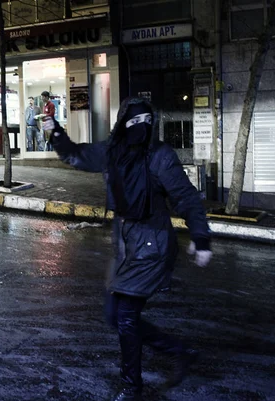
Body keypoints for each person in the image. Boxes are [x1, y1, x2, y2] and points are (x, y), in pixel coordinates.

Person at [49, 97, 212, 401]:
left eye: (146, 122)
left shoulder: (159, 156)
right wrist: (54, 131)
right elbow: (76, 155)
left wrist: (201, 238)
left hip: (153, 246)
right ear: (123, 123)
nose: (140, 128)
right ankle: (178, 350)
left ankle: (131, 389)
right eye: (134, 122)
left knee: (125, 316)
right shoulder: (112, 151)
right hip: (124, 246)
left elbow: (186, 196)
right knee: (114, 315)